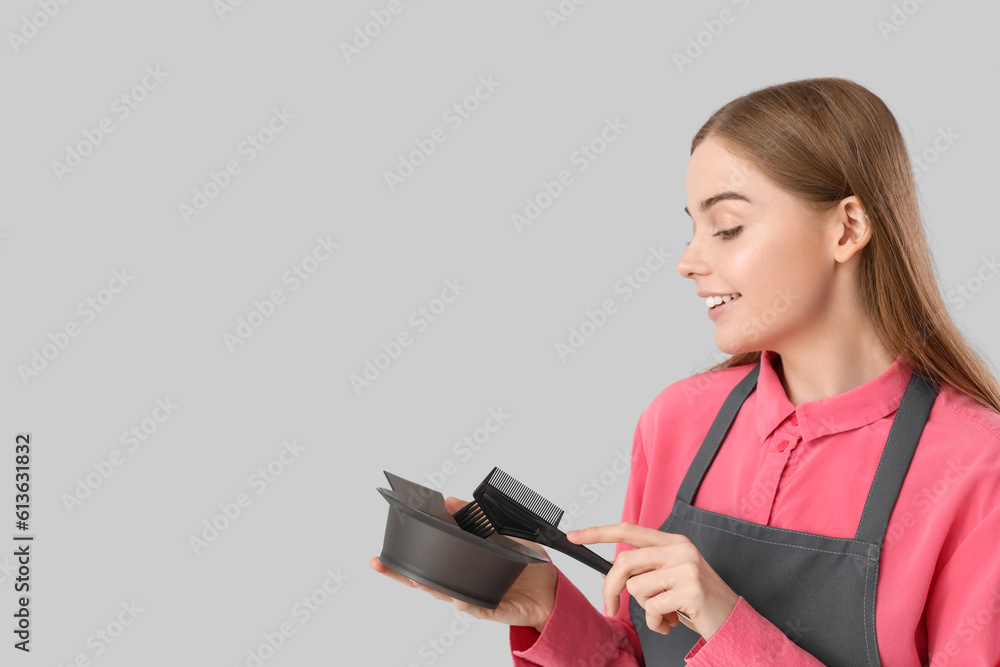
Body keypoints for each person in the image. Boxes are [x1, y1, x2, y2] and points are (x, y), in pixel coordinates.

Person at [370, 77, 1000, 665]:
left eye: (727, 227)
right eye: (694, 228)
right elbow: (635, 654)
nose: (688, 261)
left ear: (848, 227)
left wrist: (730, 623)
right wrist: (546, 604)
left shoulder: (978, 467)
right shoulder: (679, 421)